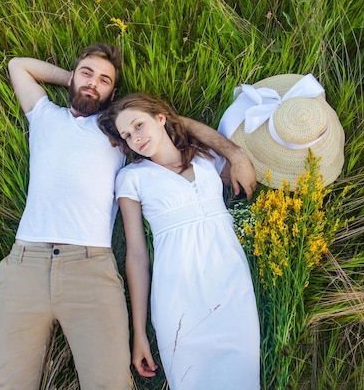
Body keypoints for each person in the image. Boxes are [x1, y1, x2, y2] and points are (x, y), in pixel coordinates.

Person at [0, 43, 257, 390]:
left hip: (89, 268)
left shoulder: (115, 132)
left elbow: (175, 123)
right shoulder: (44, 115)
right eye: (87, 73)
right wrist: (76, 79)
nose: (93, 83)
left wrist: (235, 154)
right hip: (26, 263)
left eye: (104, 80)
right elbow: (18, 65)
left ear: (113, 94)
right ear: (73, 75)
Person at [98, 93, 261, 390]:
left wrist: (237, 155)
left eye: (138, 125)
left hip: (232, 287)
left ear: (160, 118)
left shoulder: (206, 160)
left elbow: (198, 132)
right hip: (179, 297)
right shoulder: (132, 178)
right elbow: (136, 255)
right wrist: (139, 333)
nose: (135, 138)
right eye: (127, 135)